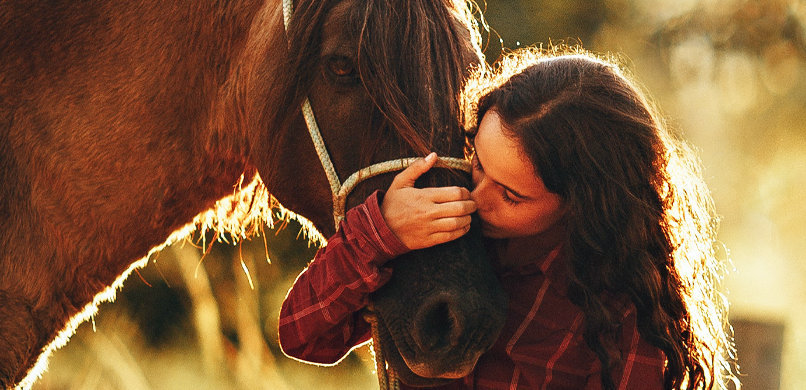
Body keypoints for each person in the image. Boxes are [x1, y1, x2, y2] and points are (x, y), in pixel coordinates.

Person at [278, 50, 731, 389]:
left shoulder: (626, 312)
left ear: (582, 204)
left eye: (511, 195)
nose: (476, 199)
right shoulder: (441, 240)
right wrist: (380, 234)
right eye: (477, 163)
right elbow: (305, 337)